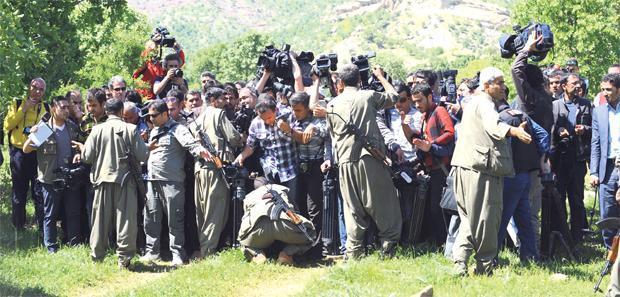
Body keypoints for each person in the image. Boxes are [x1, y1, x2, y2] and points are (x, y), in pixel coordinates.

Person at [451, 67, 531, 276]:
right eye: (500, 83)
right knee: (487, 217)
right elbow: (493, 124)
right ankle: (485, 266)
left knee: (469, 218)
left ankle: (459, 262)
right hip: (480, 171)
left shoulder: (472, 102)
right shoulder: (485, 103)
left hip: (464, 166)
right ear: (487, 86)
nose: (504, 87)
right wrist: (513, 130)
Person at [326, 63, 402, 259]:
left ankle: (353, 252)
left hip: (344, 160)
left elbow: (333, 134)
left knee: (352, 208)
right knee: (384, 204)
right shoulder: (367, 95)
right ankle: (387, 248)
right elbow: (394, 97)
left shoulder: (332, 104)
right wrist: (381, 77)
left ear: (340, 82)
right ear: (360, 80)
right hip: (370, 159)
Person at [77, 98, 149, 268]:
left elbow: (86, 157)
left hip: (101, 180)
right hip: (125, 180)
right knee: (125, 220)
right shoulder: (130, 129)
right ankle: (124, 259)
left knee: (99, 221)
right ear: (121, 110)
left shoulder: (96, 130)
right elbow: (143, 156)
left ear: (106, 110)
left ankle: (97, 256)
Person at [140, 99, 210, 265]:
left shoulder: (178, 129)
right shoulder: (154, 130)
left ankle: (177, 254)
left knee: (175, 219)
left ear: (165, 114)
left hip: (172, 182)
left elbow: (190, 143)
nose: (151, 119)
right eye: (149, 116)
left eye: (154, 116)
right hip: (152, 180)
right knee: (151, 218)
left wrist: (199, 150)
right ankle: (152, 252)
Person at [23, 96, 82, 253]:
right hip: (50, 179)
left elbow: (78, 145)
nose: (66, 110)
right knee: (50, 214)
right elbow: (26, 149)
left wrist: (77, 153)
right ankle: (51, 246)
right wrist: (33, 132)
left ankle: (74, 243)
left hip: (69, 177)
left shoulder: (71, 127)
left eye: (67, 107)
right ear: (53, 109)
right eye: (62, 107)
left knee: (73, 212)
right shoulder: (45, 130)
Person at [511, 32, 554, 248]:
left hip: (524, 163)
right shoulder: (546, 99)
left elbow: (515, 70)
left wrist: (525, 50)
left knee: (520, 209)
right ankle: (532, 251)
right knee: (531, 210)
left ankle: (527, 250)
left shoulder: (530, 100)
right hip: (538, 162)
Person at [192, 87, 243, 257]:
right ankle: (208, 251)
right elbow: (234, 138)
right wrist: (243, 137)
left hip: (200, 169)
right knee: (216, 211)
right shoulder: (218, 113)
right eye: (222, 98)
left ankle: (204, 247)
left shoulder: (198, 118)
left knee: (203, 212)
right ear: (214, 100)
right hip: (215, 168)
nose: (226, 101)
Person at [407, 83, 455, 245]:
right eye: (414, 102)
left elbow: (450, 133)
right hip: (432, 168)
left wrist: (431, 145)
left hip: (442, 168)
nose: (417, 105)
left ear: (429, 97)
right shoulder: (425, 116)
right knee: (434, 208)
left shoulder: (439, 111)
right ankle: (439, 243)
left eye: (420, 101)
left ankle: (445, 244)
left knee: (440, 208)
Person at [376, 82, 422, 244]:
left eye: (402, 100)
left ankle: (409, 239)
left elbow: (417, 141)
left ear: (409, 99)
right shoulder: (388, 115)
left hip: (413, 165)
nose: (398, 104)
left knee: (410, 206)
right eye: (395, 101)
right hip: (393, 166)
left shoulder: (417, 115)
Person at [234, 95, 299, 205]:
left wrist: (289, 130)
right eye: (263, 119)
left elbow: (301, 138)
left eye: (269, 118)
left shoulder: (288, 115)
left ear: (276, 110)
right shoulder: (256, 123)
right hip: (270, 170)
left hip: (290, 169)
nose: (267, 121)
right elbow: (251, 146)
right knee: (274, 206)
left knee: (291, 204)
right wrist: (242, 156)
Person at [550, 73, 592, 242]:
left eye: (578, 83)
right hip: (560, 159)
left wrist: (585, 129)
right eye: (573, 83)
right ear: (564, 85)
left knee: (577, 199)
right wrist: (559, 131)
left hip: (578, 158)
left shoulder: (586, 105)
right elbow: (549, 127)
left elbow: (593, 128)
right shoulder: (555, 106)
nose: (577, 86)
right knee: (559, 198)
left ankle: (577, 235)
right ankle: (560, 234)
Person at [3, 78, 47, 231]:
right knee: (19, 191)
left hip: (36, 154)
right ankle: (18, 226)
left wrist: (35, 133)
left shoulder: (45, 108)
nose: (37, 91)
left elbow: (46, 131)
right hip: (18, 153)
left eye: (41, 90)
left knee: (38, 191)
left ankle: (40, 225)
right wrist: (23, 109)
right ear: (29, 87)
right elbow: (7, 125)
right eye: (35, 87)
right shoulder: (16, 103)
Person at [238, 181, 316, 265]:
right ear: (269, 183)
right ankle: (286, 254)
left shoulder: (250, 196)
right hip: (284, 224)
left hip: (258, 227)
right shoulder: (281, 189)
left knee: (243, 241)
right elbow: (294, 209)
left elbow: (246, 216)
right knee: (311, 234)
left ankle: (257, 254)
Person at [591, 73, 620, 249]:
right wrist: (594, 171)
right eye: (602, 90)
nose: (604, 93)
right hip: (607, 168)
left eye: (609, 89)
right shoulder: (599, 111)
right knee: (607, 211)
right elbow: (595, 143)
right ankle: (610, 251)